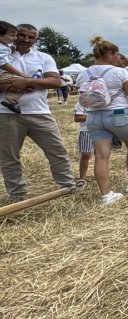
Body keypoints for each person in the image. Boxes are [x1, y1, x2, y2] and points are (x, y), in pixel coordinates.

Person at [0, 24, 78, 203]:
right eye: (22, 36)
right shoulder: (3, 53)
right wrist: (16, 85)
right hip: (6, 113)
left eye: (31, 37)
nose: (26, 40)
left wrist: (25, 82)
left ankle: (67, 188)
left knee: (57, 151)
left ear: (36, 40)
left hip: (39, 111)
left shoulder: (43, 57)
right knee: (9, 157)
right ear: (14, 35)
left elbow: (55, 81)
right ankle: (17, 196)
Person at [75, 36, 128, 204]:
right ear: (109, 54)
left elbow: (85, 96)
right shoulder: (120, 72)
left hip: (94, 116)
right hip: (119, 114)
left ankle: (106, 194)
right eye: (117, 54)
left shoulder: (84, 73)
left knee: (101, 156)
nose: (119, 57)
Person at [1, 20, 29, 114]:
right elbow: (4, 64)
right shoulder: (2, 47)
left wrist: (11, 49)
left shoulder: (4, 46)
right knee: (23, 82)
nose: (15, 38)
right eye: (12, 35)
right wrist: (21, 74)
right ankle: (10, 100)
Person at [73, 101, 93, 191]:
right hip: (86, 130)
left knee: (102, 155)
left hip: (101, 129)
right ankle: (82, 177)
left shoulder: (104, 100)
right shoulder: (82, 102)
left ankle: (101, 174)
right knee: (86, 154)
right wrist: (93, 118)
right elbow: (77, 118)